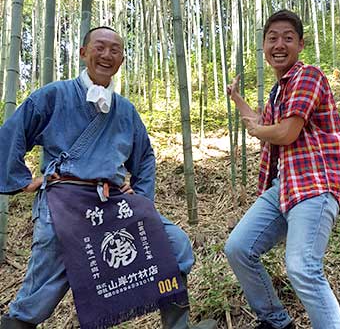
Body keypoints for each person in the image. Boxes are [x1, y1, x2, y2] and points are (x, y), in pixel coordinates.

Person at [0, 26, 217, 329]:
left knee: (174, 247)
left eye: (114, 50)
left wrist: (140, 198)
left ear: (122, 59)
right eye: (99, 47)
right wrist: (22, 180)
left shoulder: (125, 110)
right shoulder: (53, 96)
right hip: (65, 203)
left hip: (113, 202)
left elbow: (145, 157)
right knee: (44, 287)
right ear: (83, 53)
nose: (106, 55)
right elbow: (12, 133)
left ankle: (178, 326)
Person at [224, 10, 340, 329]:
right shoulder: (278, 91)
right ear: (264, 45)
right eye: (272, 38)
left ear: (301, 44)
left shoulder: (309, 76)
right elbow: (263, 124)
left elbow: (286, 131)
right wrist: (236, 98)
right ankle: (277, 321)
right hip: (284, 187)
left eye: (288, 38)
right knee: (238, 248)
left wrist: (259, 131)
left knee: (303, 267)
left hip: (314, 185)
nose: (279, 44)